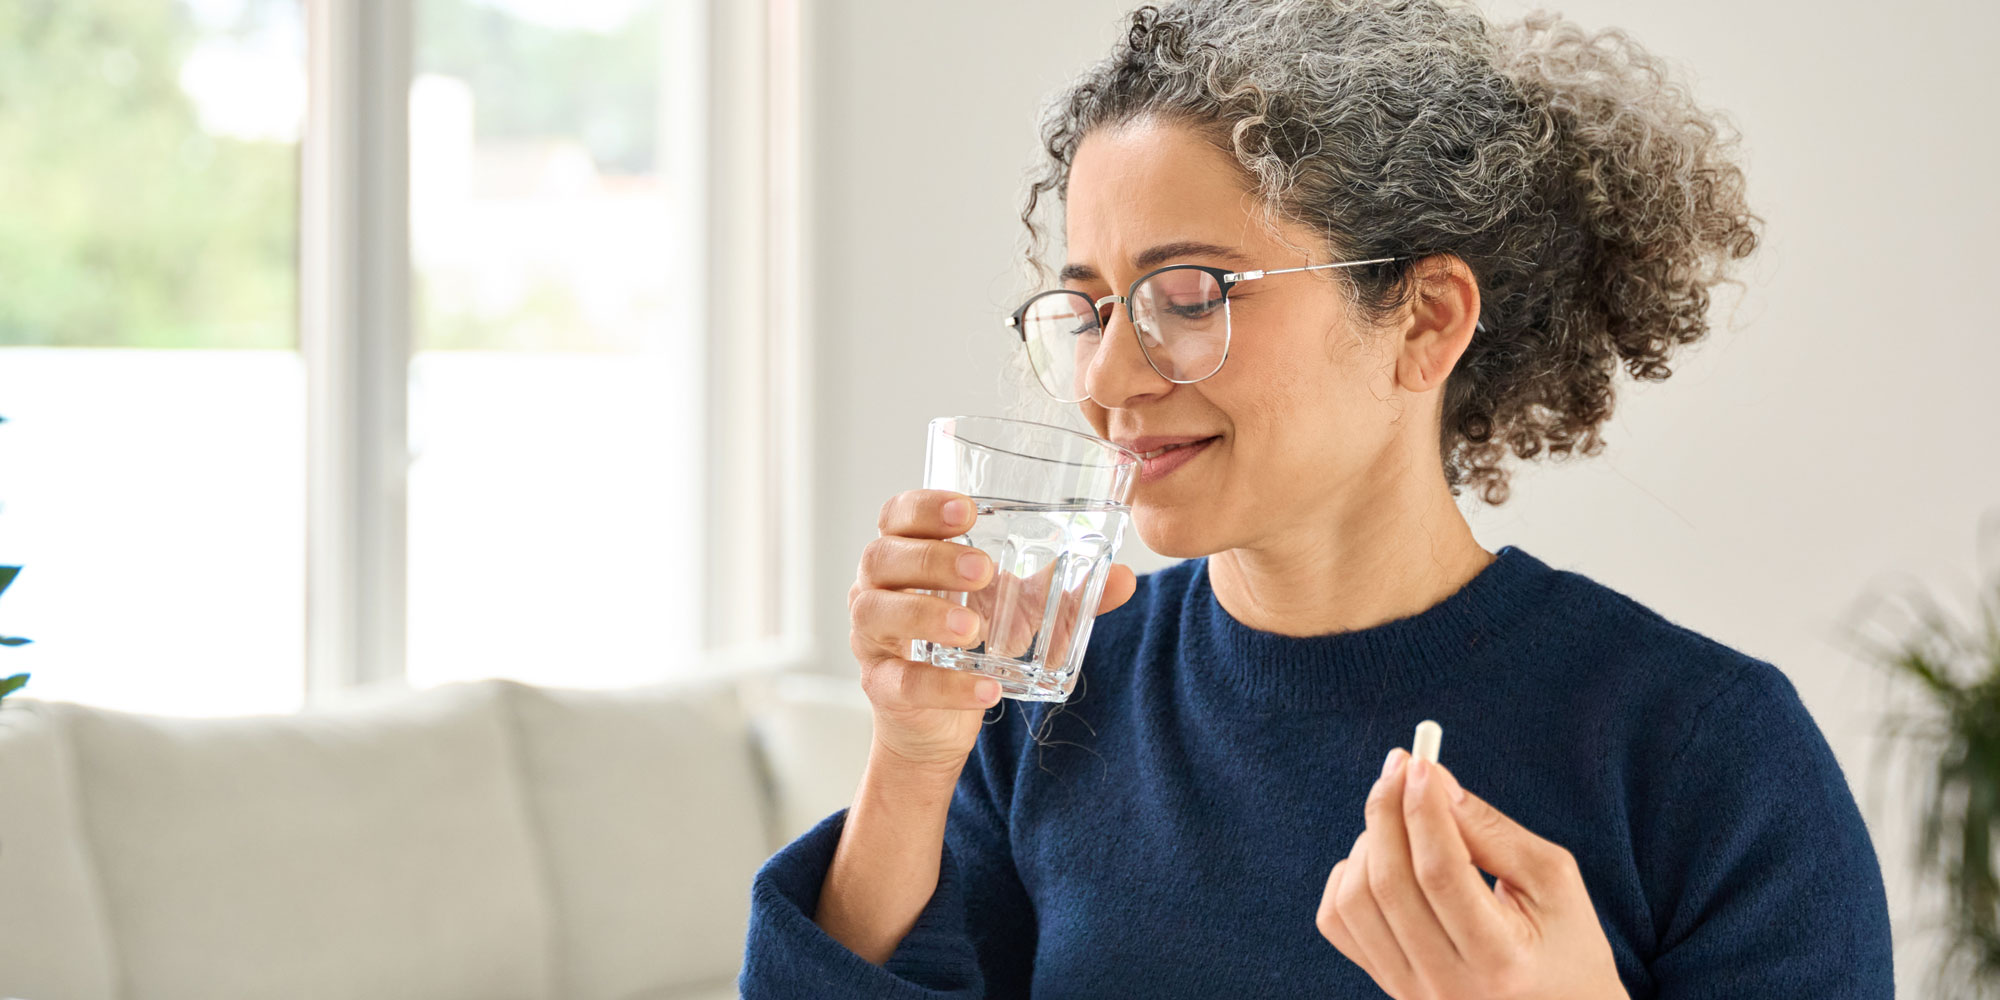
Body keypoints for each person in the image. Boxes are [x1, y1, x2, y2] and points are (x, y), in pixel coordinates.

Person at [739, 0, 1894, 996]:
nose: (1104, 376)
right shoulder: (1055, 697)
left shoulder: (1704, 751)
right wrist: (911, 753)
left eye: (1189, 294)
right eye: (1088, 307)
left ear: (1425, 320)